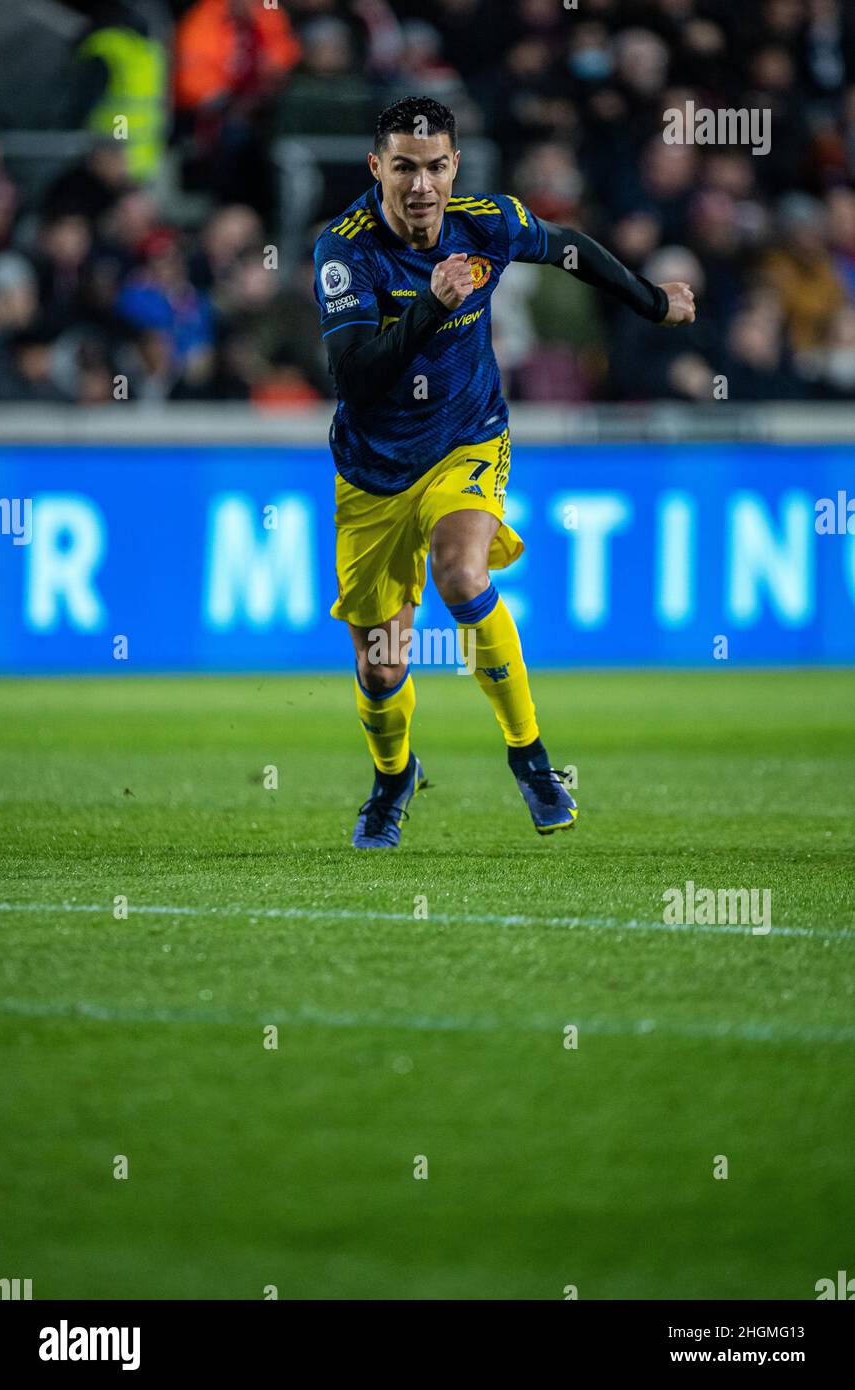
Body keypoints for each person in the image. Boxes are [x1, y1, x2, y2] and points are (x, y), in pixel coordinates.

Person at [312, 96, 695, 849]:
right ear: (376, 169)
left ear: (454, 166)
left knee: (461, 575)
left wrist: (651, 303)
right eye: (403, 168)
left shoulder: (487, 221)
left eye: (434, 168)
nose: (421, 186)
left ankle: (531, 757)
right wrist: (429, 304)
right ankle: (393, 778)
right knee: (384, 665)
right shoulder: (344, 250)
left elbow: (569, 248)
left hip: (468, 439)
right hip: (374, 471)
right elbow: (357, 378)